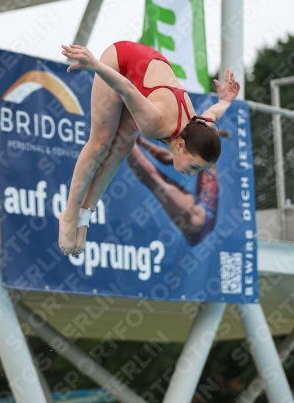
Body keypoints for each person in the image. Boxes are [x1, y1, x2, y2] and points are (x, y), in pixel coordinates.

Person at [58, 41, 240, 256]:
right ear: (181, 145)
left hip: (152, 67)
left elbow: (214, 113)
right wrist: (95, 64)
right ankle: (70, 214)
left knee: (122, 148)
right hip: (121, 60)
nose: (192, 173)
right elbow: (124, 87)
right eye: (194, 166)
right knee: (101, 142)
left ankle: (84, 217)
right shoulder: (155, 122)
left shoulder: (200, 126)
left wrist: (226, 100)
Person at [127, 133, 229, 246]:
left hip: (197, 219)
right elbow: (168, 158)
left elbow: (168, 158)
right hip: (202, 220)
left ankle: (124, 137)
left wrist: (141, 142)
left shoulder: (203, 157)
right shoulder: (205, 158)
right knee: (155, 179)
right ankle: (126, 139)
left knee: (153, 179)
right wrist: (142, 142)